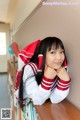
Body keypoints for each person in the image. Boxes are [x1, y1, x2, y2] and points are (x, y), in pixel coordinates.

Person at [14, 37, 71, 107]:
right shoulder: (31, 69)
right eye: (52, 52)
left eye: (61, 52)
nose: (59, 57)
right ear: (42, 55)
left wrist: (65, 81)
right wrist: (47, 80)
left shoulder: (58, 69)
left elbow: (55, 99)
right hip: (26, 107)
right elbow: (37, 100)